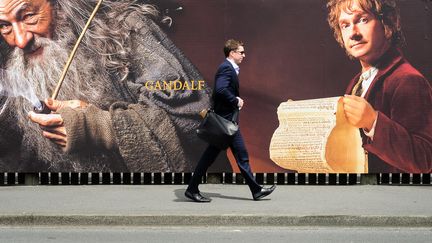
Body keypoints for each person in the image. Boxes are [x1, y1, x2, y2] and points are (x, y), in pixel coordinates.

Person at [0, 0, 213, 172]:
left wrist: (97, 127)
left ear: (60, 5)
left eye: (28, 16)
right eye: (4, 26)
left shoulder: (127, 30)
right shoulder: (18, 65)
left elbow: (198, 118)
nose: (19, 40)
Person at [327, 0, 432, 173]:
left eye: (362, 20)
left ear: (387, 22)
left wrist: (372, 122)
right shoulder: (356, 81)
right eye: (345, 25)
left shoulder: (409, 80)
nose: (353, 33)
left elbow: (425, 159)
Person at [185, 39, 276, 202]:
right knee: (227, 157)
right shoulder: (226, 68)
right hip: (225, 124)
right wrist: (235, 100)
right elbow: (220, 90)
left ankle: (256, 190)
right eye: (241, 52)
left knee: (237, 156)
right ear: (232, 53)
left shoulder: (229, 68)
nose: (244, 55)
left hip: (227, 123)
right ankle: (192, 189)